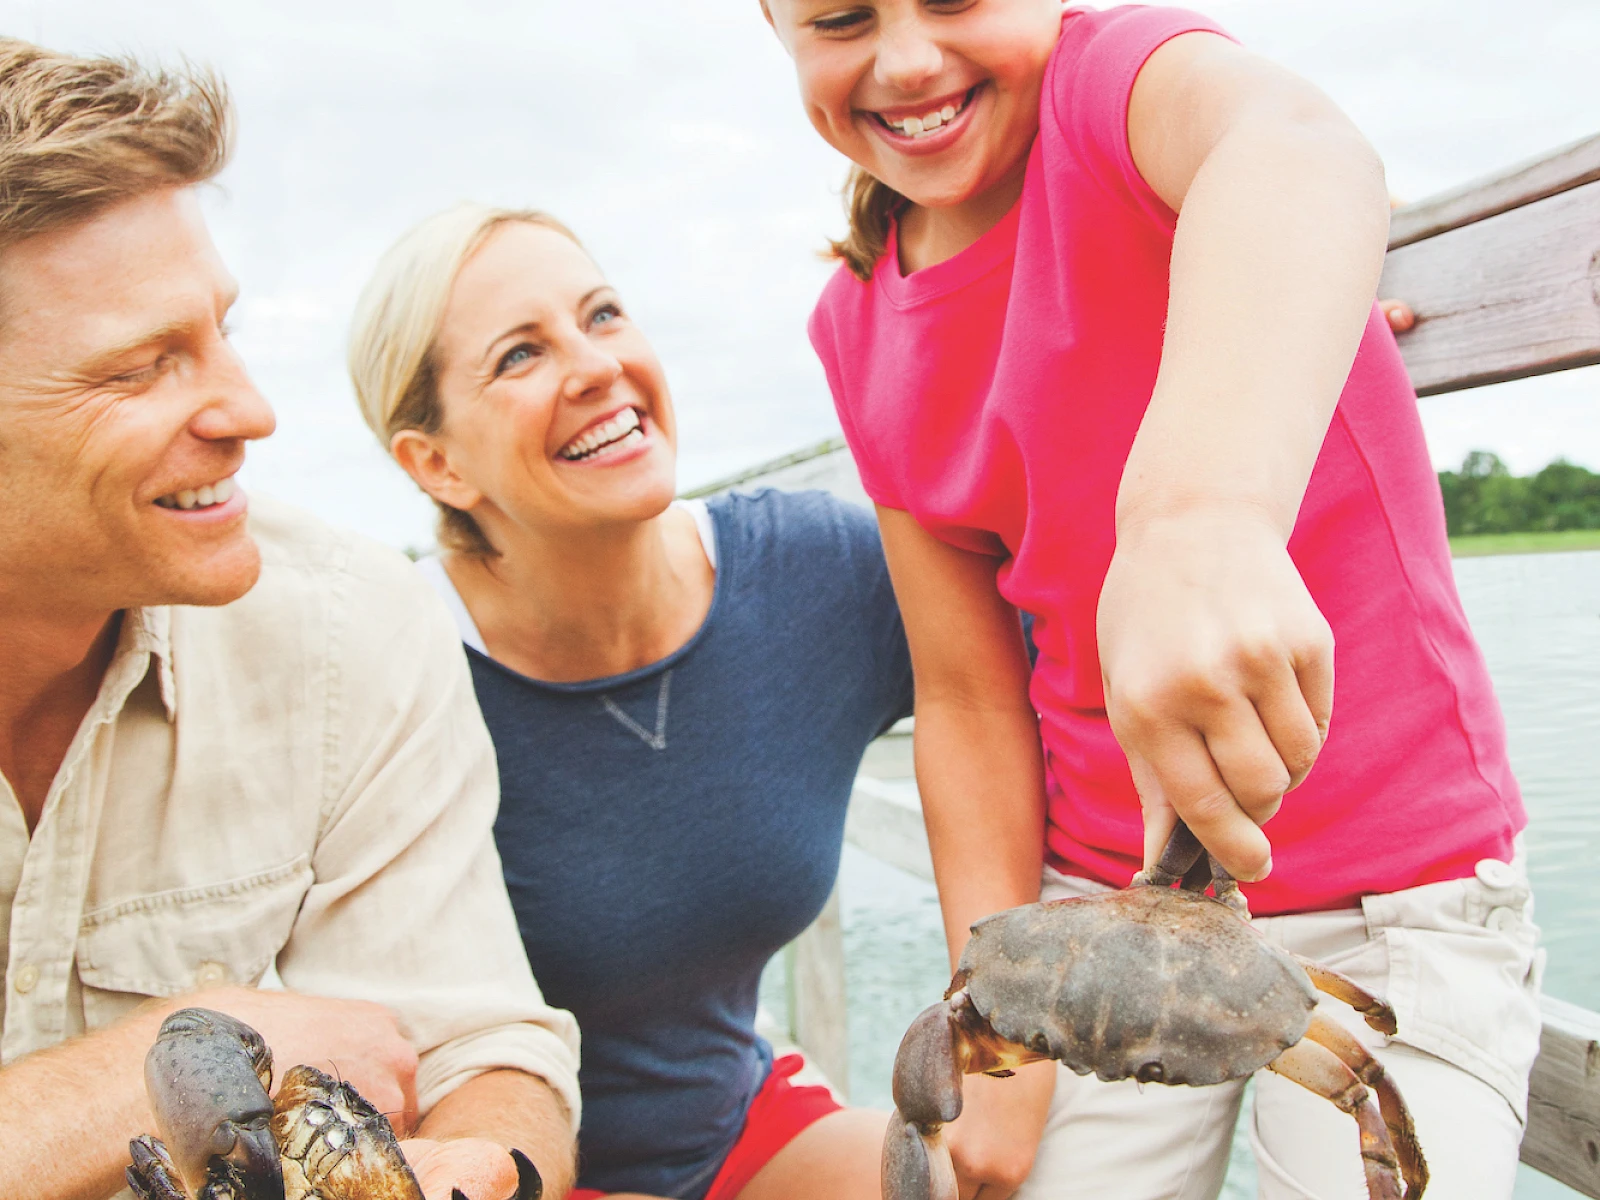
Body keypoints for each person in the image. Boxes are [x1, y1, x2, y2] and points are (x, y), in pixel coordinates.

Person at [763, 2, 1539, 1198]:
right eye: (840, 18)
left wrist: (1197, 517)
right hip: (1088, 912)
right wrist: (996, 1037)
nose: (908, 56)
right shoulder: (857, 324)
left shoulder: (1111, 91)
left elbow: (1297, 147)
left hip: (1392, 887)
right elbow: (966, 698)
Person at [0, 41, 581, 1200]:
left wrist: (478, 1163)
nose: (249, 411)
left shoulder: (348, 628)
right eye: (141, 368)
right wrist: (163, 1057)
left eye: (221, 330)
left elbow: (487, 1053)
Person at [346, 203, 914, 1200]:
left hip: (737, 1133)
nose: (595, 365)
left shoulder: (814, 574)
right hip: (479, 1174)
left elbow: (1041, 695)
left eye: (601, 314)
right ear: (436, 465)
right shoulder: (386, 668)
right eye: (520, 354)